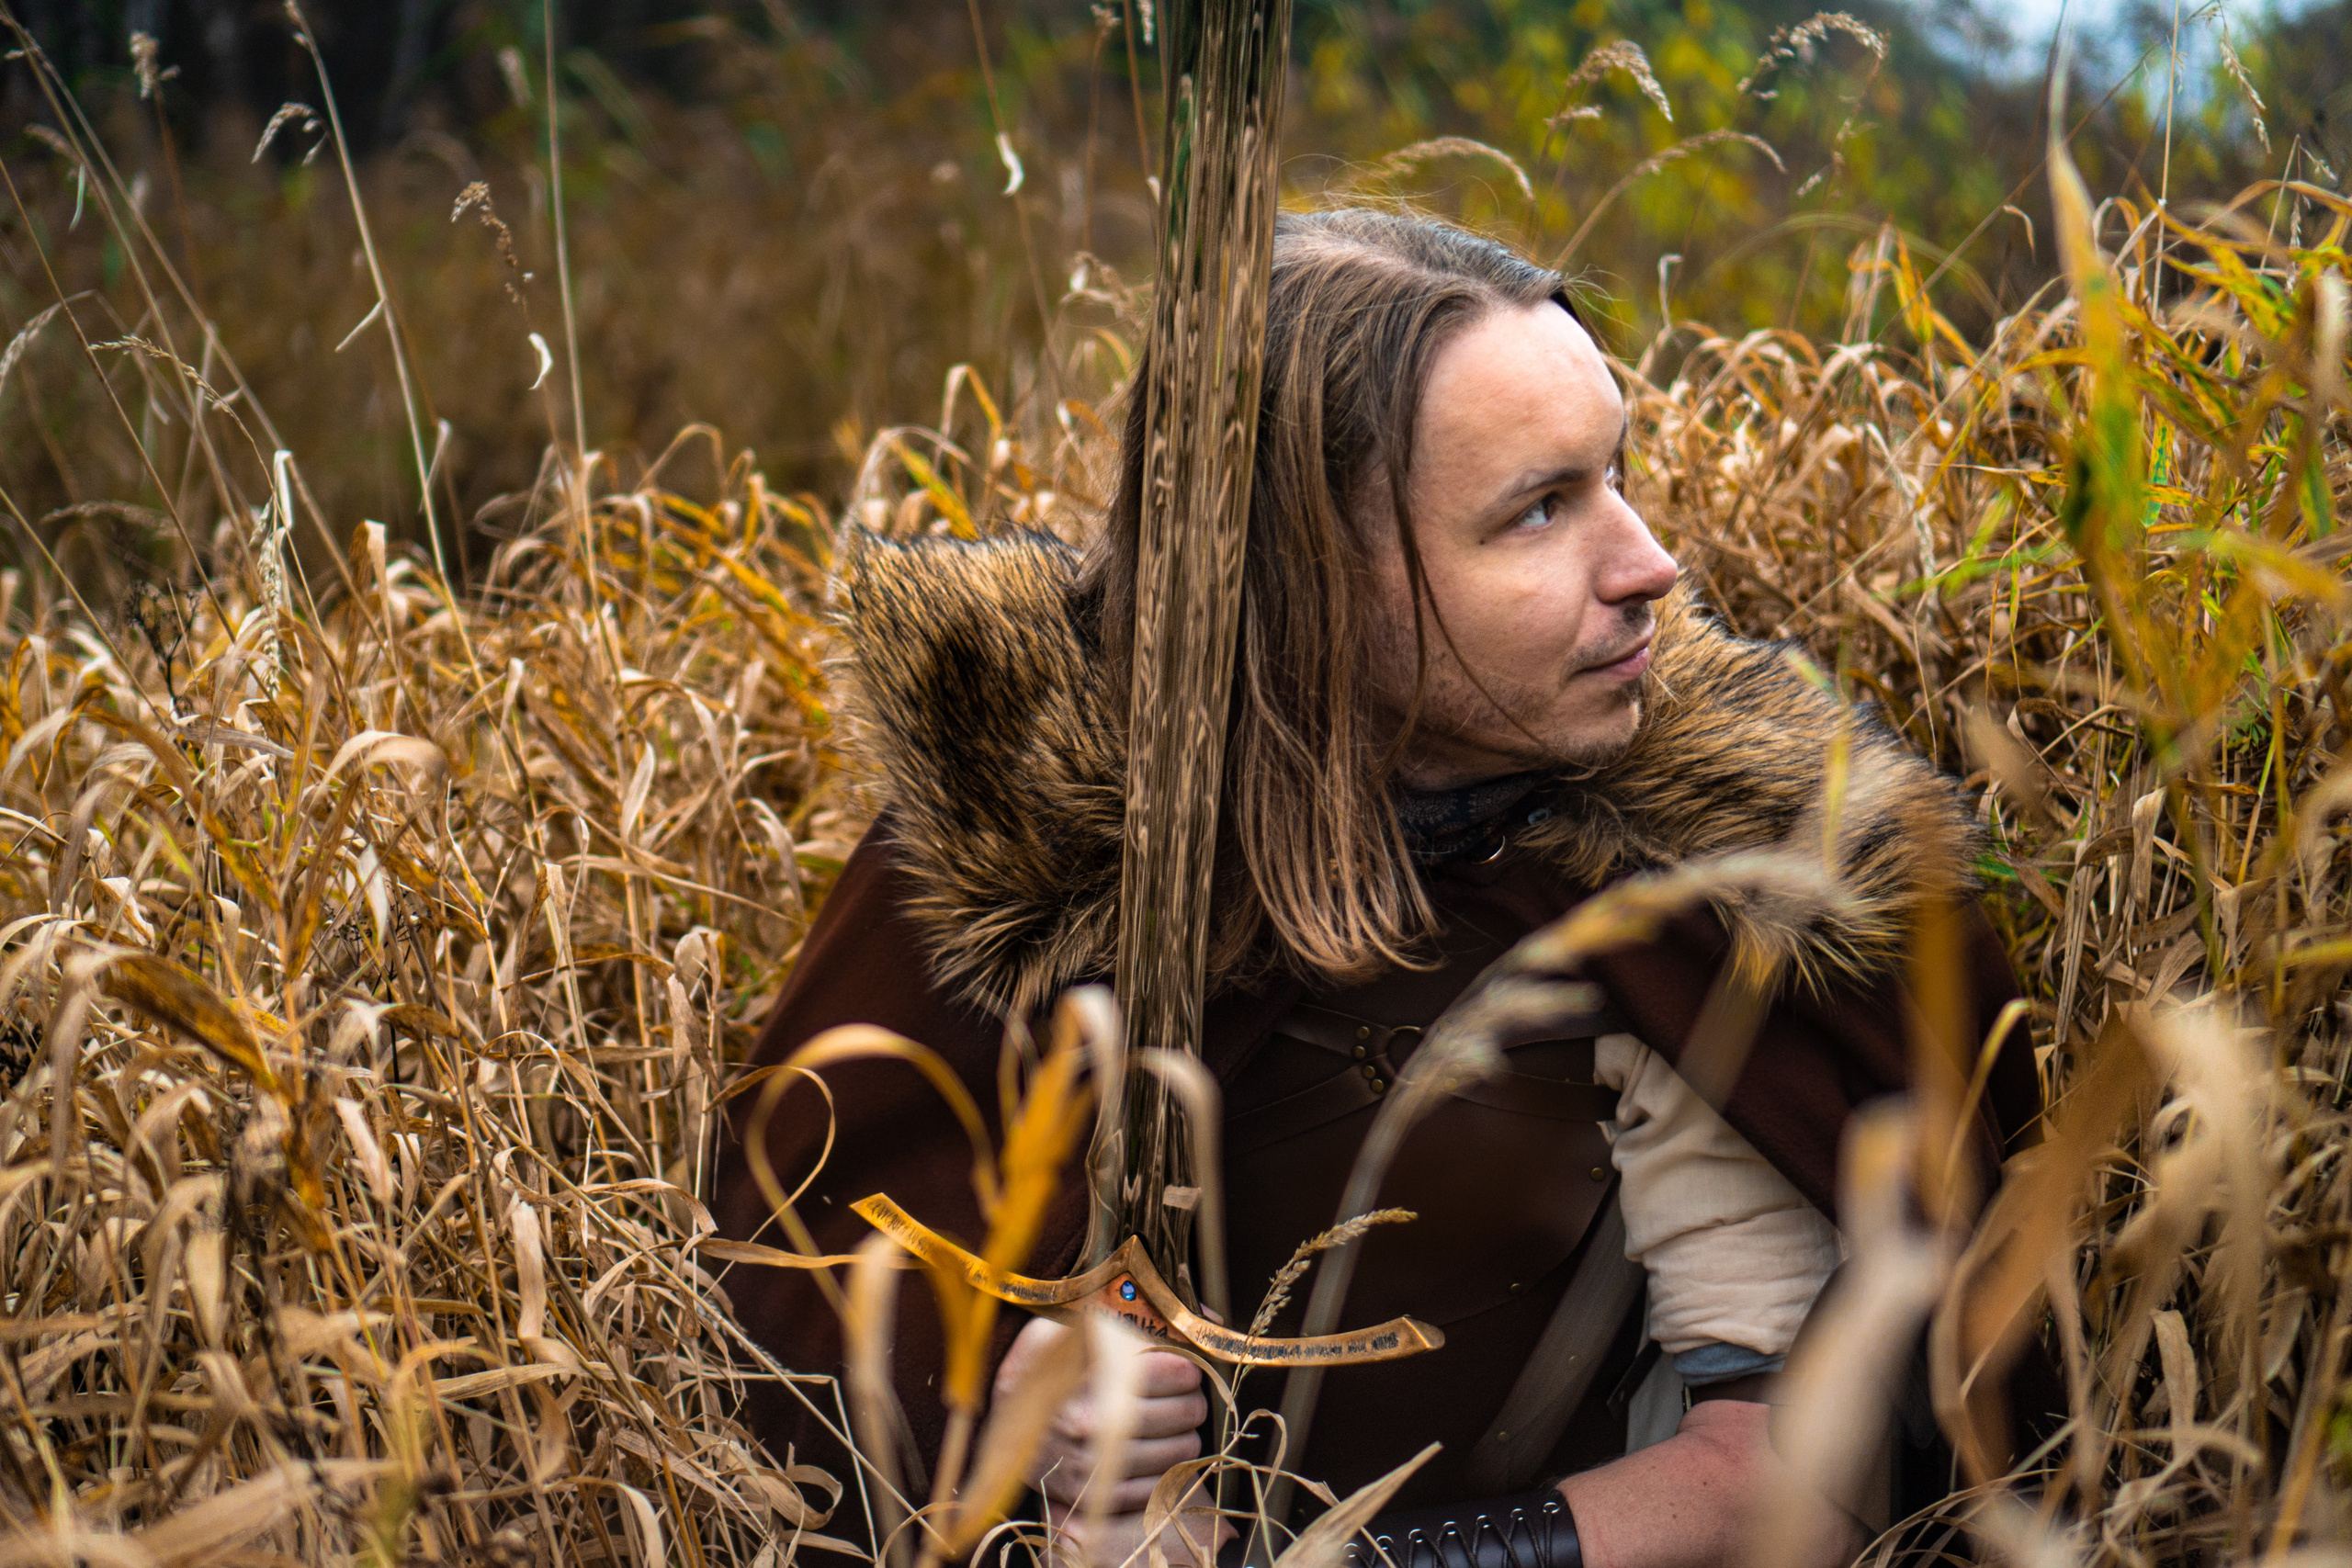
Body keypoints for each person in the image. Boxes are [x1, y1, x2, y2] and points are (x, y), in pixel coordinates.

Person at [709, 209, 2041, 1568]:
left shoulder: (1714, 890)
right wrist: (1017, 1425)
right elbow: (809, 1384)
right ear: (1305, 582)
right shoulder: (1001, 871)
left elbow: (1790, 1481)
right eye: (1537, 509)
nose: (1650, 565)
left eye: (1615, 476)